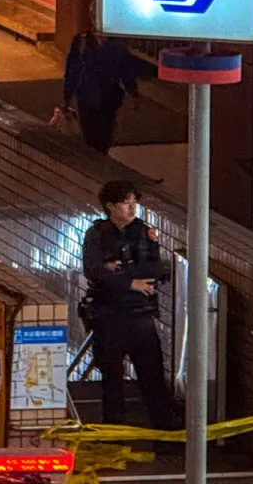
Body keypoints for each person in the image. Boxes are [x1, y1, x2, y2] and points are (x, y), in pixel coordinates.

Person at [82, 181, 179, 430]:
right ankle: (113, 434)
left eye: (135, 202)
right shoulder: (97, 234)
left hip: (140, 316)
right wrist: (130, 282)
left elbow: (155, 268)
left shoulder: (144, 232)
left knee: (153, 377)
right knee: (111, 379)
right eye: (127, 203)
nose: (132, 208)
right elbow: (94, 271)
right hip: (109, 316)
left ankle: (164, 433)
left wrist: (119, 271)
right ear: (111, 206)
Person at [62, 26, 142, 155]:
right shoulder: (84, 42)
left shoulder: (115, 45)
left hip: (106, 98)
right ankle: (96, 160)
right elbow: (72, 72)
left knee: (103, 136)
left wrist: (133, 93)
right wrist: (67, 96)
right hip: (89, 97)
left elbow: (126, 72)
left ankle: (98, 159)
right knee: (92, 135)